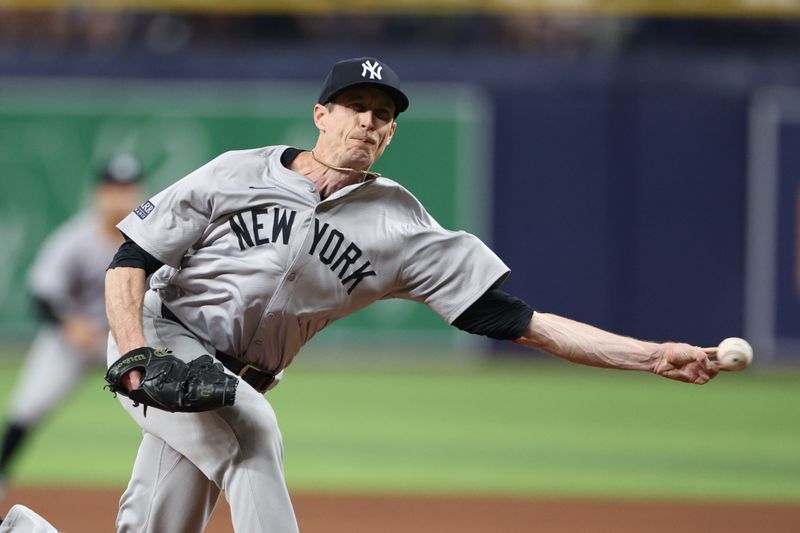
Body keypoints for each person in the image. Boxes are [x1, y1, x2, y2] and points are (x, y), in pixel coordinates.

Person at [104, 57, 719, 533]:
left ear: (391, 133)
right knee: (253, 435)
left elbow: (517, 319)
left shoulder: (398, 225)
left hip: (239, 373)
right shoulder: (238, 171)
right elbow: (132, 257)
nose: (367, 120)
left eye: (381, 113)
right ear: (322, 115)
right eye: (354, 106)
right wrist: (134, 357)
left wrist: (650, 354)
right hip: (163, 340)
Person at [0, 155, 144, 500]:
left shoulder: (148, 238)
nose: (120, 197)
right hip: (73, 342)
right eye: (112, 188)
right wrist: (68, 323)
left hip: (125, 342)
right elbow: (41, 293)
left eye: (127, 188)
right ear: (98, 193)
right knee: (27, 407)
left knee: (162, 412)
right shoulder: (76, 238)